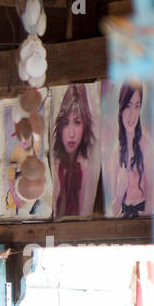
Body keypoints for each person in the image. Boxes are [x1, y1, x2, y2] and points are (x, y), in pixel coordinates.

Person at [51, 84, 99, 217]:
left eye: (77, 122)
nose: (71, 134)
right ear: (60, 126)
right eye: (66, 123)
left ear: (85, 124)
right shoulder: (54, 167)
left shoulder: (86, 168)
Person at [108, 82, 153, 218]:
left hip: (142, 221)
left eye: (137, 106)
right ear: (121, 107)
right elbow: (114, 210)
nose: (132, 114)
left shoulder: (146, 146)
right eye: (128, 106)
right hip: (124, 221)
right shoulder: (116, 152)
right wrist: (119, 193)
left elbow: (153, 201)